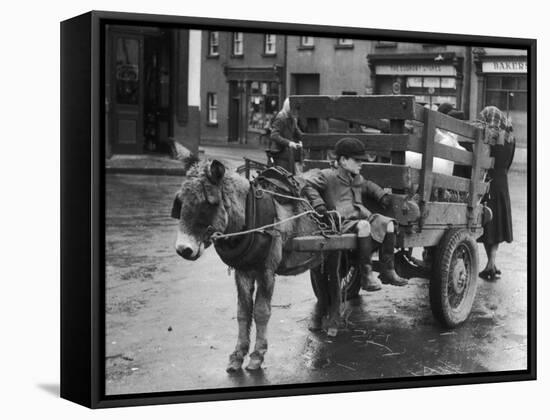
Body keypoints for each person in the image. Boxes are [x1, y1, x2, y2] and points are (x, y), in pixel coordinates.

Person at [302, 137, 407, 291]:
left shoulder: (357, 178)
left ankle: (388, 270)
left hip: (361, 218)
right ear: (343, 160)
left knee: (389, 223)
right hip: (342, 222)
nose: (361, 163)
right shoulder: (328, 176)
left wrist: (381, 195)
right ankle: (366, 276)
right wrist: (318, 203)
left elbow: (368, 185)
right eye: (357, 160)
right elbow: (306, 183)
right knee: (364, 225)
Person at [476, 106, 515, 281]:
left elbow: (481, 158)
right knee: (497, 223)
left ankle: (490, 264)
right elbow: (509, 163)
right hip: (502, 182)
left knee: (488, 224)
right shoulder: (510, 137)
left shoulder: (489, 135)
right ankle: (492, 262)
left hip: (488, 180)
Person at [268, 98, 303, 173]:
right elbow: (274, 135)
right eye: (294, 109)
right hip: (279, 154)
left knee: (290, 177)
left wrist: (305, 140)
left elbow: (297, 132)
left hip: (288, 154)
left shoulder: (292, 118)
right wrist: (289, 143)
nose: (296, 112)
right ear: (289, 108)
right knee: (283, 179)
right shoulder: (281, 117)